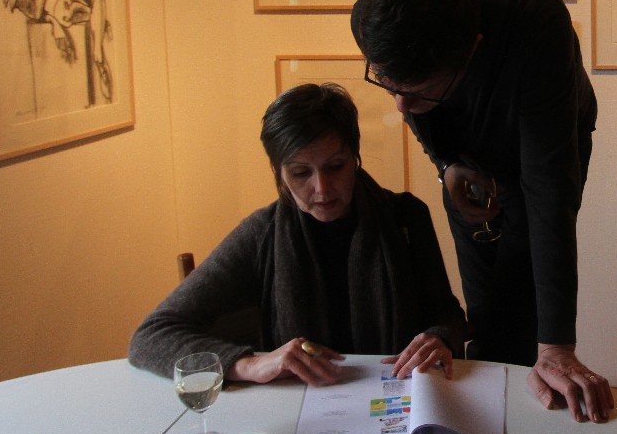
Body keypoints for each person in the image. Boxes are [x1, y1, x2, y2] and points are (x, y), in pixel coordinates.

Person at [351, 0, 613, 423]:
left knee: (521, 294)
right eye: (389, 86)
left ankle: (525, 409)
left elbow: (549, 191)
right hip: (462, 145)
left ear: (472, 49)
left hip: (546, 139)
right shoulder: (370, 17)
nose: (400, 107)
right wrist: (446, 164)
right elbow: (411, 99)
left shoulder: (535, 19)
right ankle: (491, 404)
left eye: (417, 91)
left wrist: (556, 345)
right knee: (485, 304)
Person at [129, 83, 467, 386]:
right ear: (279, 173)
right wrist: (249, 364)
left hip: (395, 394)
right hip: (295, 406)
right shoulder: (260, 235)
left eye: (335, 167)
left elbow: (446, 313)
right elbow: (151, 336)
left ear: (355, 158)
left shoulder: (406, 217)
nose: (322, 188)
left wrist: (439, 337)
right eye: (301, 172)